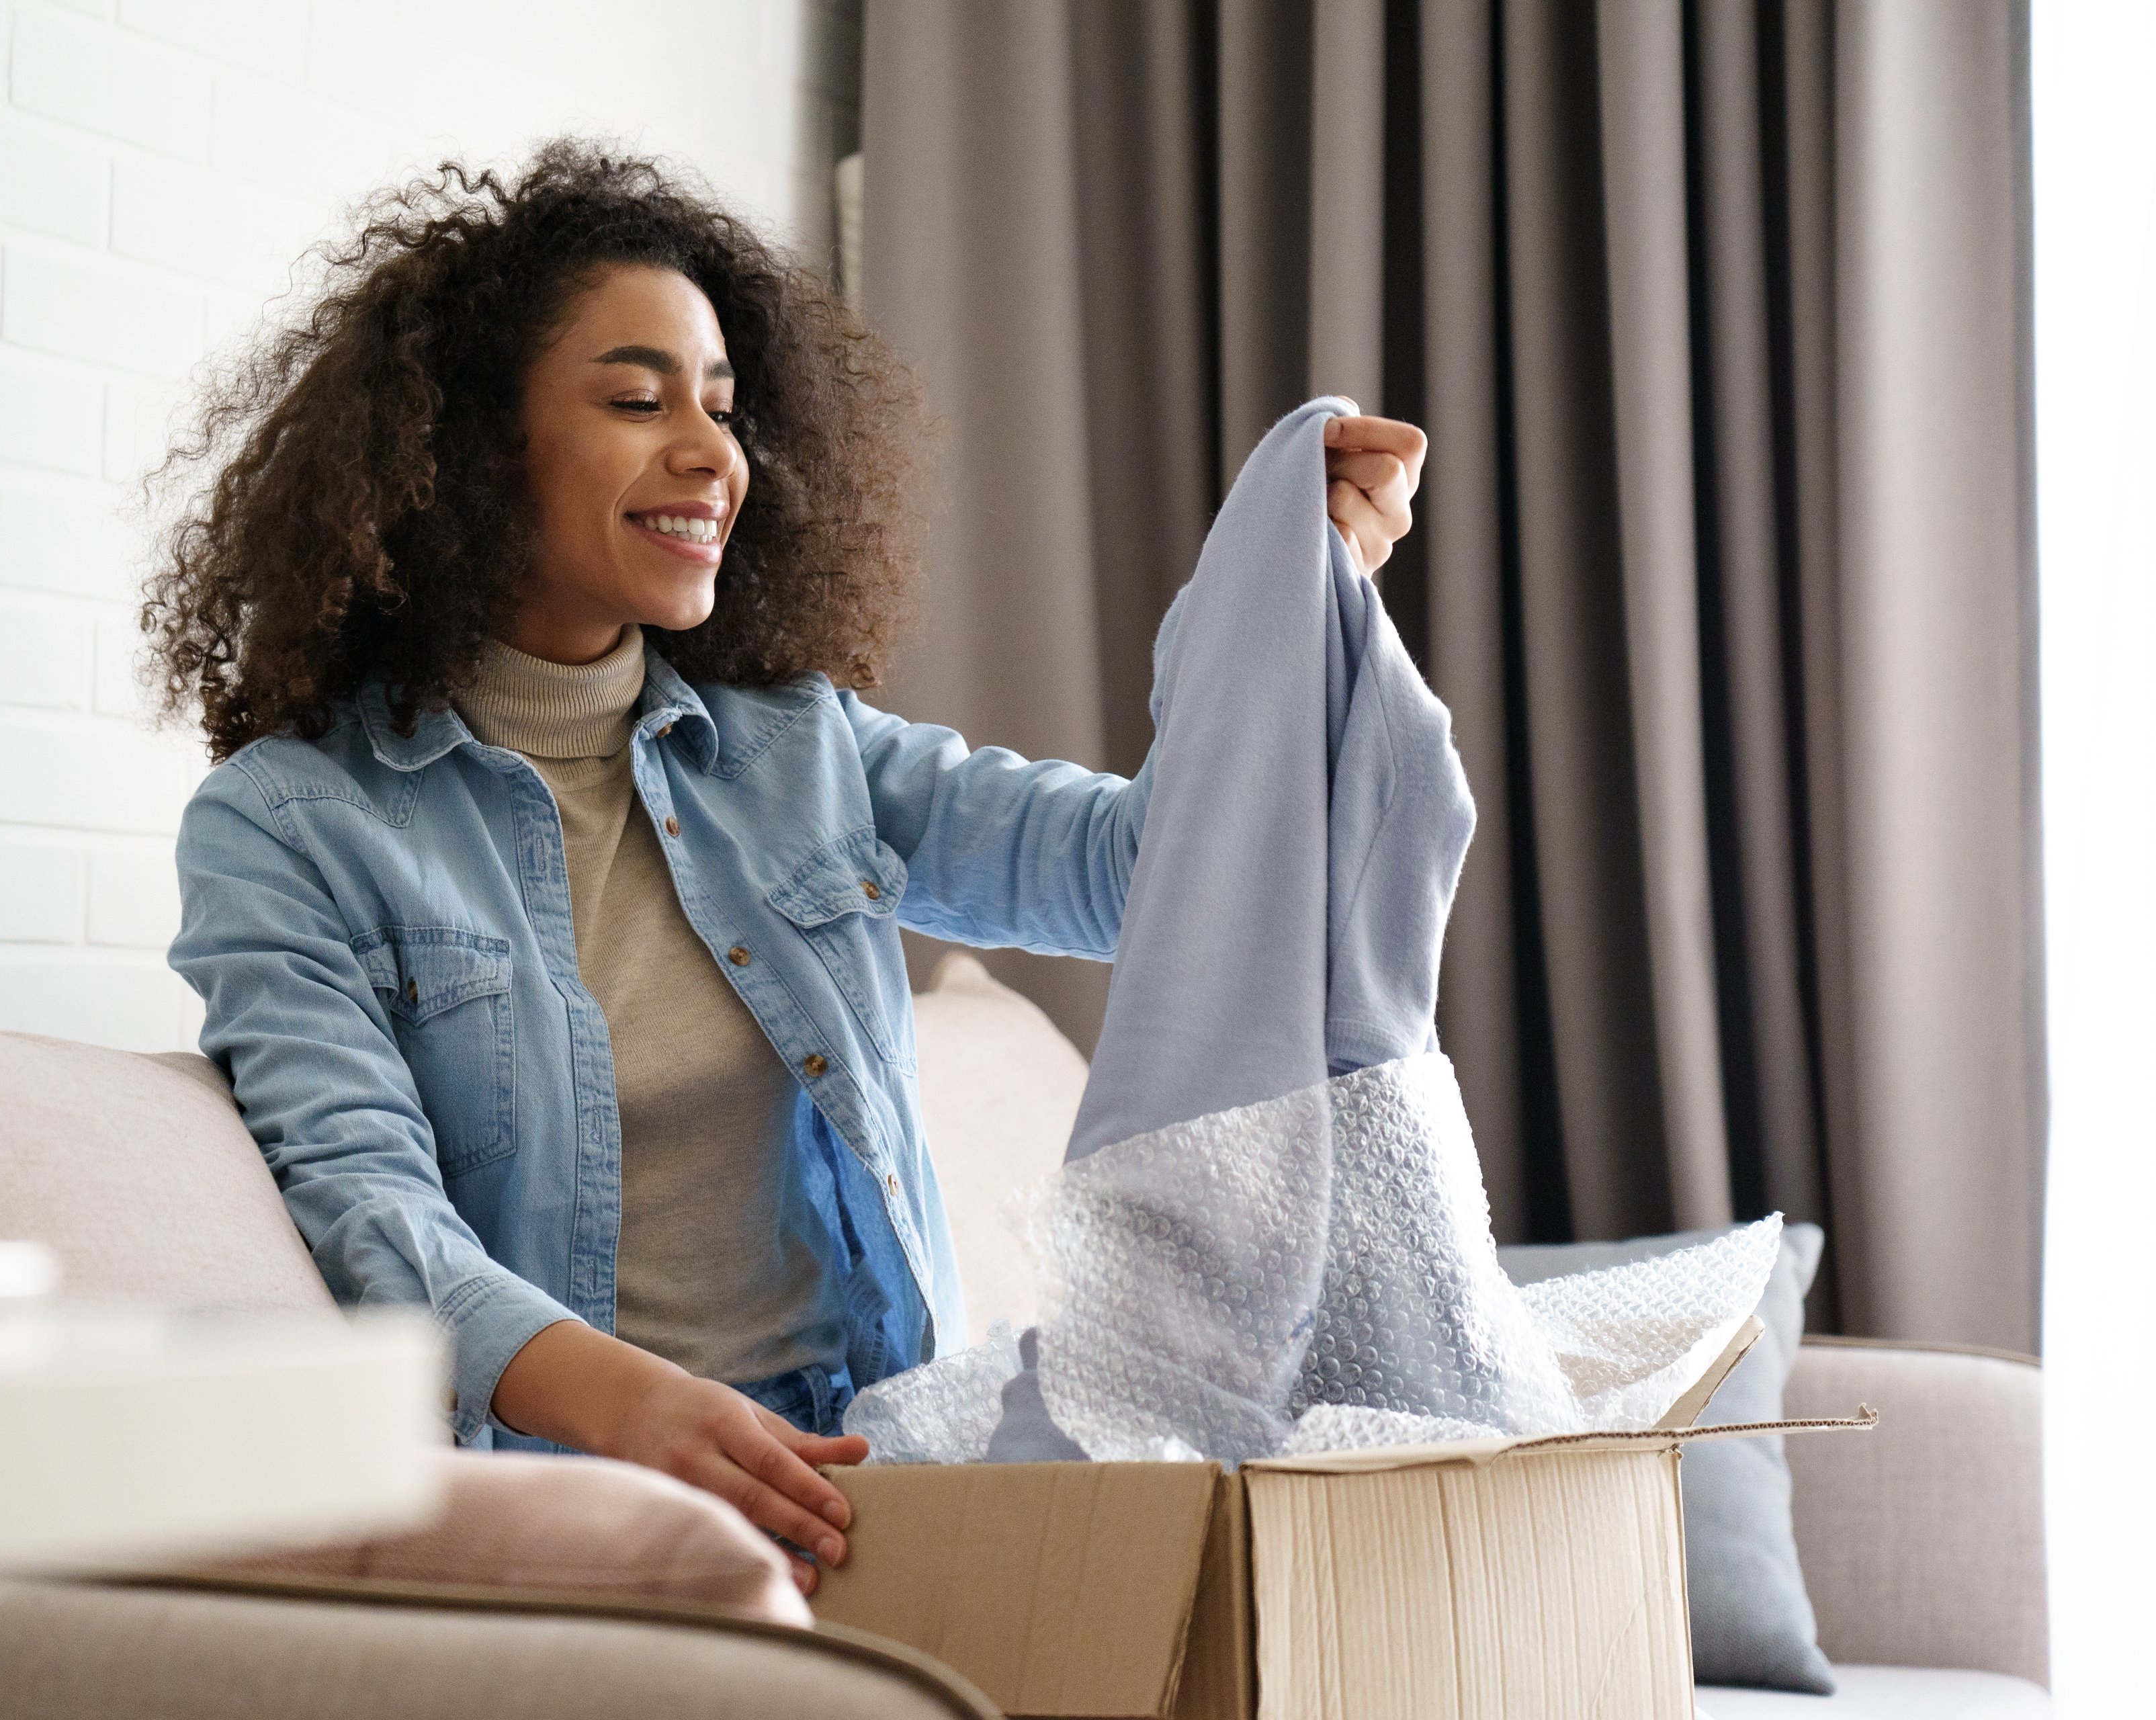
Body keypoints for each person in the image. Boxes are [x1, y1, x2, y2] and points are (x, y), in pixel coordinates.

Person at [145, 144, 1426, 1593]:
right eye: (639, 400)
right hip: (589, 1521)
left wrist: (1269, 598)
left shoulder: (799, 751)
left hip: (888, 1485)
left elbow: (1145, 874)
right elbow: (373, 1212)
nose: (713, 454)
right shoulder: (289, 826)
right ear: (468, 450)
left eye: (725, 406)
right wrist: (639, 1406)